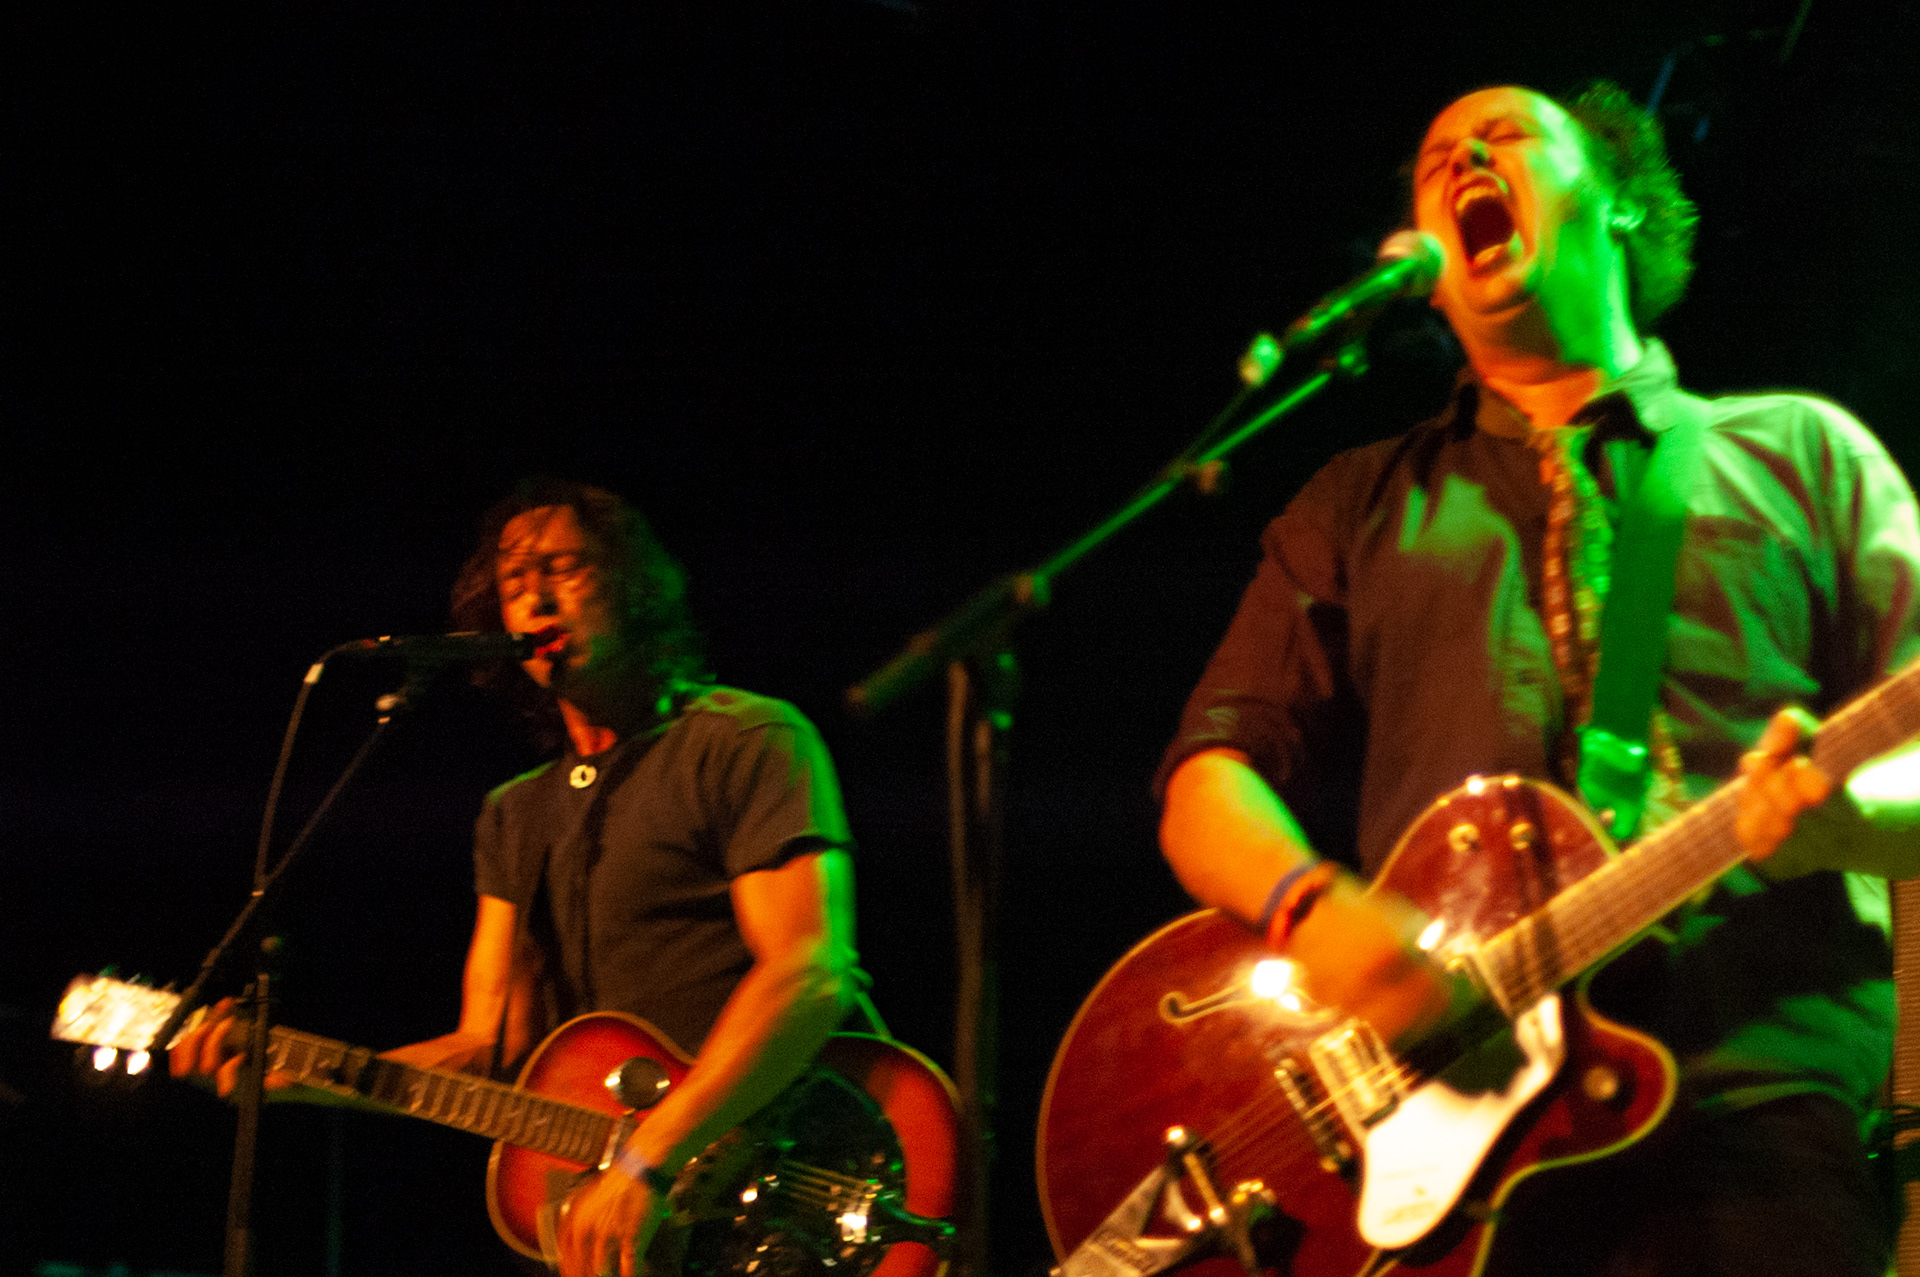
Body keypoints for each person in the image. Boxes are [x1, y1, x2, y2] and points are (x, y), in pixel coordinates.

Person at [1156, 82, 1920, 1275]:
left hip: (1755, 1111)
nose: (1463, 156)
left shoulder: (1804, 453)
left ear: (1618, 201)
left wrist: (1844, 820)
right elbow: (1209, 778)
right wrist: (1314, 907)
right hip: (1454, 1156)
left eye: (1504, 135)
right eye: (1434, 158)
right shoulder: (1360, 499)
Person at [174, 478, 861, 1277]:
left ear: (634, 586)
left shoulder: (745, 740)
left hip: (793, 1163)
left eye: (563, 567)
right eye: (513, 582)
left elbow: (808, 972)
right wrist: (300, 1075)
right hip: (652, 1223)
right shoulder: (514, 813)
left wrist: (649, 1157)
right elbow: (486, 1047)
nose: (535, 597)